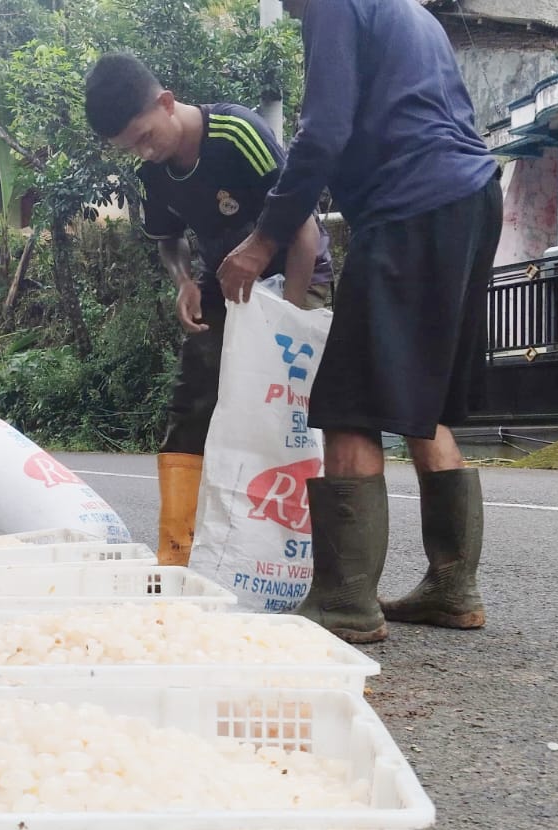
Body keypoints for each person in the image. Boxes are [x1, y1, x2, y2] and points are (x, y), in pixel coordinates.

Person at [218, 0, 503, 643]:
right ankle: (453, 586)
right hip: (472, 196)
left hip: (414, 202)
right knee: (420, 399)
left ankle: (345, 600)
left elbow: (322, 133)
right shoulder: (410, 13)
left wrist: (262, 242)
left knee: (350, 400)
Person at [84, 52, 335, 567]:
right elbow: (169, 240)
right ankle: (178, 555)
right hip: (224, 284)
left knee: (287, 415)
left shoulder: (237, 133)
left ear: (167, 103)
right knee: (192, 404)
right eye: (129, 148)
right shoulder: (154, 174)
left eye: (145, 136)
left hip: (295, 276)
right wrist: (182, 282)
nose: (144, 152)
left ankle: (306, 562)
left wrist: (284, 325)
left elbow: (305, 228)